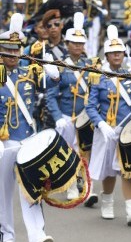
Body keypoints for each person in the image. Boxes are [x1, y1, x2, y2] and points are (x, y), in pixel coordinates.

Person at [0, 13, 59, 242]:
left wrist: (47, 64)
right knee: (3, 194)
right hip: (5, 143)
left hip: (27, 140)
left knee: (32, 189)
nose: (13, 54)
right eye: (8, 49)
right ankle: (6, 234)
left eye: (16, 50)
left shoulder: (29, 72)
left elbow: (53, 79)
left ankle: (37, 234)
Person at [86, 25, 131, 226]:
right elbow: (90, 106)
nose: (117, 56)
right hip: (108, 130)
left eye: (119, 52)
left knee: (127, 170)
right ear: (107, 56)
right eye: (112, 53)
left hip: (127, 131)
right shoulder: (98, 77)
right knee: (109, 172)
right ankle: (107, 202)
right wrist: (101, 125)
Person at [45, 12, 98, 204]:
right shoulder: (60, 67)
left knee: (86, 153)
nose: (77, 46)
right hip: (67, 116)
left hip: (86, 116)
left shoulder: (91, 66)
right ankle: (71, 186)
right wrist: (58, 116)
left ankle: (87, 186)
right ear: (67, 44)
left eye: (80, 43)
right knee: (68, 152)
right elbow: (51, 96)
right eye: (74, 43)